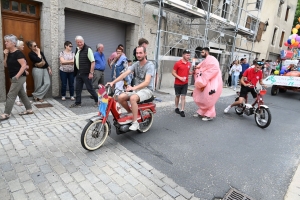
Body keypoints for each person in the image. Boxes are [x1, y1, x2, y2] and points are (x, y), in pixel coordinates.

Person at [106, 46, 154, 131]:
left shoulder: (150, 65)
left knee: (133, 98)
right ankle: (131, 112)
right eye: (137, 53)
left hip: (147, 90)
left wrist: (133, 87)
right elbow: (124, 74)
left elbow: (147, 82)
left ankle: (135, 122)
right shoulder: (135, 64)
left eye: (140, 53)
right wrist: (113, 82)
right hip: (137, 90)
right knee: (120, 97)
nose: (138, 55)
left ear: (145, 53)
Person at [0, 34, 33, 121]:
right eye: (5, 41)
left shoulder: (18, 53)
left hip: (19, 77)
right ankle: (29, 109)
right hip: (14, 77)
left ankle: (6, 113)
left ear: (13, 43)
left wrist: (17, 76)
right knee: (21, 93)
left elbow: (23, 65)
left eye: (7, 41)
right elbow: (6, 65)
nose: (5, 43)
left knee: (11, 95)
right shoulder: (9, 53)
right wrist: (6, 55)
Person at [192, 47, 223, 121]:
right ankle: (202, 111)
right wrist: (197, 68)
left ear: (206, 52)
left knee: (209, 97)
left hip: (211, 82)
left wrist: (203, 75)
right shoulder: (206, 60)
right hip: (206, 81)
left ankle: (210, 114)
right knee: (203, 96)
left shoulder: (212, 59)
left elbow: (214, 69)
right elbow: (201, 68)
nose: (201, 54)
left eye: (202, 52)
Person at [70, 36, 97, 108]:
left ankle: (97, 101)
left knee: (90, 88)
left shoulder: (88, 49)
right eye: (78, 42)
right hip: (79, 72)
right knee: (78, 88)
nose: (79, 43)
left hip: (86, 73)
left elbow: (93, 62)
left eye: (80, 42)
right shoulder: (77, 49)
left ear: (83, 41)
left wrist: (91, 73)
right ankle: (78, 103)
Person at [172, 49, 192, 117]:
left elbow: (188, 72)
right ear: (183, 55)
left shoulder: (189, 64)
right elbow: (173, 72)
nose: (188, 56)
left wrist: (193, 72)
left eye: (189, 55)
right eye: (187, 55)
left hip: (185, 83)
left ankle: (182, 110)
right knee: (177, 96)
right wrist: (179, 77)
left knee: (183, 96)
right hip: (177, 83)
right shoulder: (178, 63)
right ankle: (176, 107)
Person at [14, 40, 30, 106]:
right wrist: (24, 69)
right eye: (22, 45)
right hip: (18, 73)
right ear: (18, 46)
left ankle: (25, 100)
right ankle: (17, 100)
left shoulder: (20, 53)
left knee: (24, 86)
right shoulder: (16, 54)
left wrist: (26, 66)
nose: (23, 46)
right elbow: (16, 65)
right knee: (17, 87)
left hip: (22, 73)